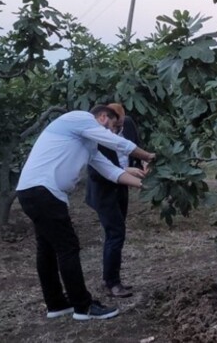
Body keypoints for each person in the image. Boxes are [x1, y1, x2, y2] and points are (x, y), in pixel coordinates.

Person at [16, 105, 156, 321]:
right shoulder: (79, 118)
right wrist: (148, 156)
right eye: (112, 126)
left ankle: (56, 304)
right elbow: (119, 144)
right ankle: (84, 306)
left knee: (47, 248)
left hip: (32, 191)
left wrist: (145, 185)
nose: (112, 132)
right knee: (68, 248)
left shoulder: (88, 145)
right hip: (43, 191)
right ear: (102, 117)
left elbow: (111, 171)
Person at [86, 103, 142, 298]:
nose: (116, 129)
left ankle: (111, 279)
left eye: (119, 125)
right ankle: (112, 282)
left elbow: (136, 148)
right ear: (105, 118)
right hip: (104, 191)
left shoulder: (127, 124)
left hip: (121, 188)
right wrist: (125, 171)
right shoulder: (96, 133)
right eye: (114, 125)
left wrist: (142, 163)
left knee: (117, 232)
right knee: (115, 233)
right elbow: (96, 171)